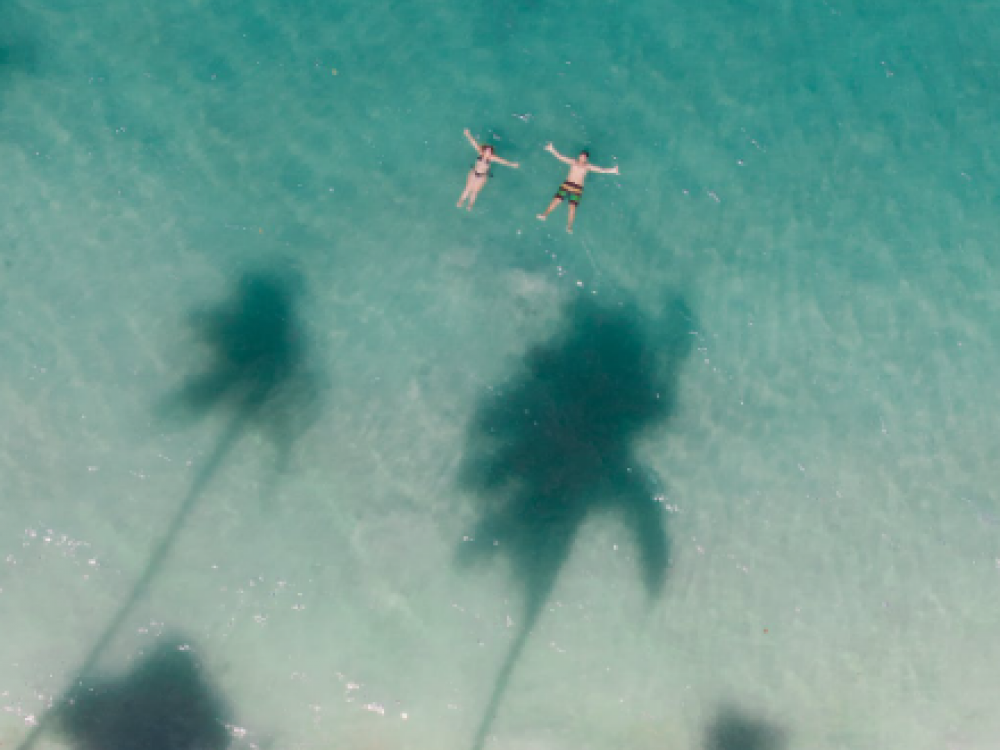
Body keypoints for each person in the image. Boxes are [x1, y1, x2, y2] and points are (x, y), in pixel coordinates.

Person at [536, 144, 619, 233]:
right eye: (581, 156)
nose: (582, 158)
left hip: (577, 188)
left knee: (572, 207)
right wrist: (552, 150)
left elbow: (601, 170)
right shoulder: (573, 162)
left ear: (586, 159)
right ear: (579, 156)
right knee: (556, 201)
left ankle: (569, 226)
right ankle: (545, 215)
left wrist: (612, 170)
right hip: (567, 184)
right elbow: (561, 157)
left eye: (584, 157)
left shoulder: (588, 166)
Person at [457, 129, 519, 211]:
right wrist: (468, 134)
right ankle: (461, 200)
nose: (488, 152)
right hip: (474, 172)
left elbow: (503, 161)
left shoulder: (492, 158)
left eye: (490, 151)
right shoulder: (480, 152)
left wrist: (512, 164)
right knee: (468, 187)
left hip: (482, 176)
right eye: (487, 150)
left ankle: (470, 204)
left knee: (475, 191)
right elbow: (473, 143)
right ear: (484, 150)